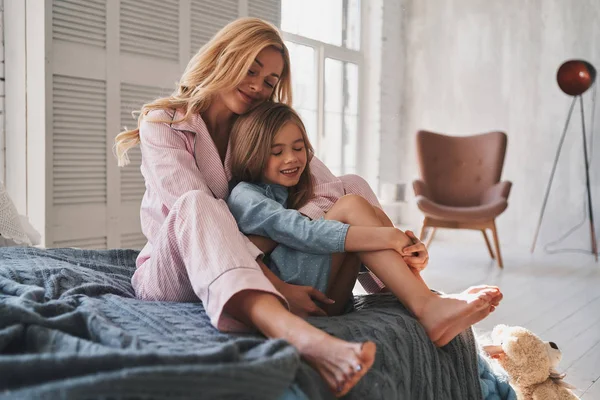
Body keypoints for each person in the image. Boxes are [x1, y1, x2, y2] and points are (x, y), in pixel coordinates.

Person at [113, 17, 382, 396]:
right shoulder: (165, 123)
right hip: (175, 271)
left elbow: (325, 186)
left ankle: (402, 292)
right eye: (251, 69)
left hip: (253, 254)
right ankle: (298, 336)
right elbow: (194, 214)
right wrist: (280, 287)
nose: (258, 85)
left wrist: (279, 230)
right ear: (225, 57)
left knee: (351, 186)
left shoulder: (258, 125)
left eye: (270, 81)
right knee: (198, 204)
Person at [226, 102, 503, 347]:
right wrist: (389, 239)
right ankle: (426, 305)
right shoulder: (245, 196)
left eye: (298, 148)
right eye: (277, 152)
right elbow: (303, 232)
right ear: (252, 153)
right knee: (351, 206)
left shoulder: (283, 191)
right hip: (296, 295)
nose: (292, 158)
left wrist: (397, 245)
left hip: (328, 298)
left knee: (368, 211)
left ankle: (422, 296)